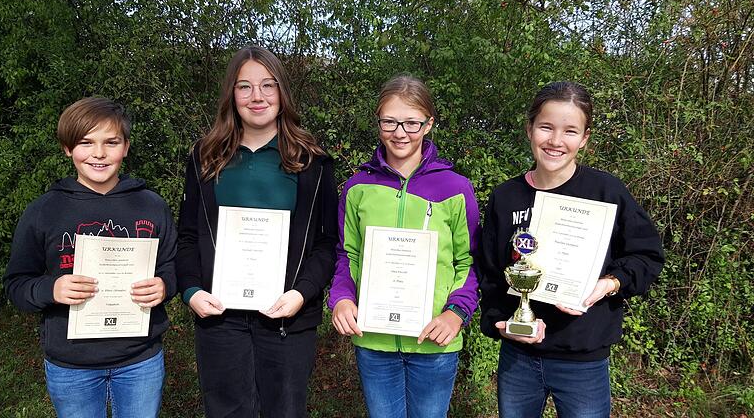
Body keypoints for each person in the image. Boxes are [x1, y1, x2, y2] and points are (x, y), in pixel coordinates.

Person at [478, 81, 665, 417]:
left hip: (583, 359)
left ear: (585, 138)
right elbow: (490, 274)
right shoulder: (505, 198)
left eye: (570, 131)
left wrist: (608, 284)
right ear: (530, 128)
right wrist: (500, 322)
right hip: (518, 359)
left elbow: (646, 255)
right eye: (546, 127)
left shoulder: (606, 191)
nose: (555, 141)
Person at [176, 45, 338, 418]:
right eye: (244, 87)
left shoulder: (312, 161)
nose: (257, 97)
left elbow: (327, 244)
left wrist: (303, 292)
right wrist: (191, 290)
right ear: (231, 95)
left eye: (268, 85)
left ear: (282, 91)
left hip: (287, 318)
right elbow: (187, 235)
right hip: (219, 317)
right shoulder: (205, 155)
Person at [3, 97, 177, 418]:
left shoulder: (152, 206)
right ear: (68, 148)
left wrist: (164, 286)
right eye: (86, 142)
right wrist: (51, 290)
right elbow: (16, 285)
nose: (99, 153)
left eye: (111, 142)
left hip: (139, 359)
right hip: (72, 365)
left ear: (125, 147)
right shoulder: (44, 211)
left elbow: (170, 266)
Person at [328, 75, 480, 418]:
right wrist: (341, 298)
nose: (400, 132)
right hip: (374, 339)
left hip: (434, 341)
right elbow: (347, 253)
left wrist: (456, 313)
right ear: (378, 122)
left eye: (411, 122)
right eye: (390, 122)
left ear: (429, 124)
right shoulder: (357, 188)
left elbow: (469, 261)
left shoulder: (455, 188)